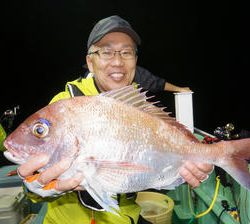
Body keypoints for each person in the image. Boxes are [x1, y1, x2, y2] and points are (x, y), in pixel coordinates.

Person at [17, 15, 213, 224]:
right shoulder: (64, 106)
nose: (118, 62)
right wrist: (35, 189)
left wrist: (199, 159)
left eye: (126, 52)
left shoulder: (143, 109)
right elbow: (34, 173)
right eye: (106, 52)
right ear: (90, 62)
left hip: (124, 219)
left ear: (135, 61)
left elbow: (157, 163)